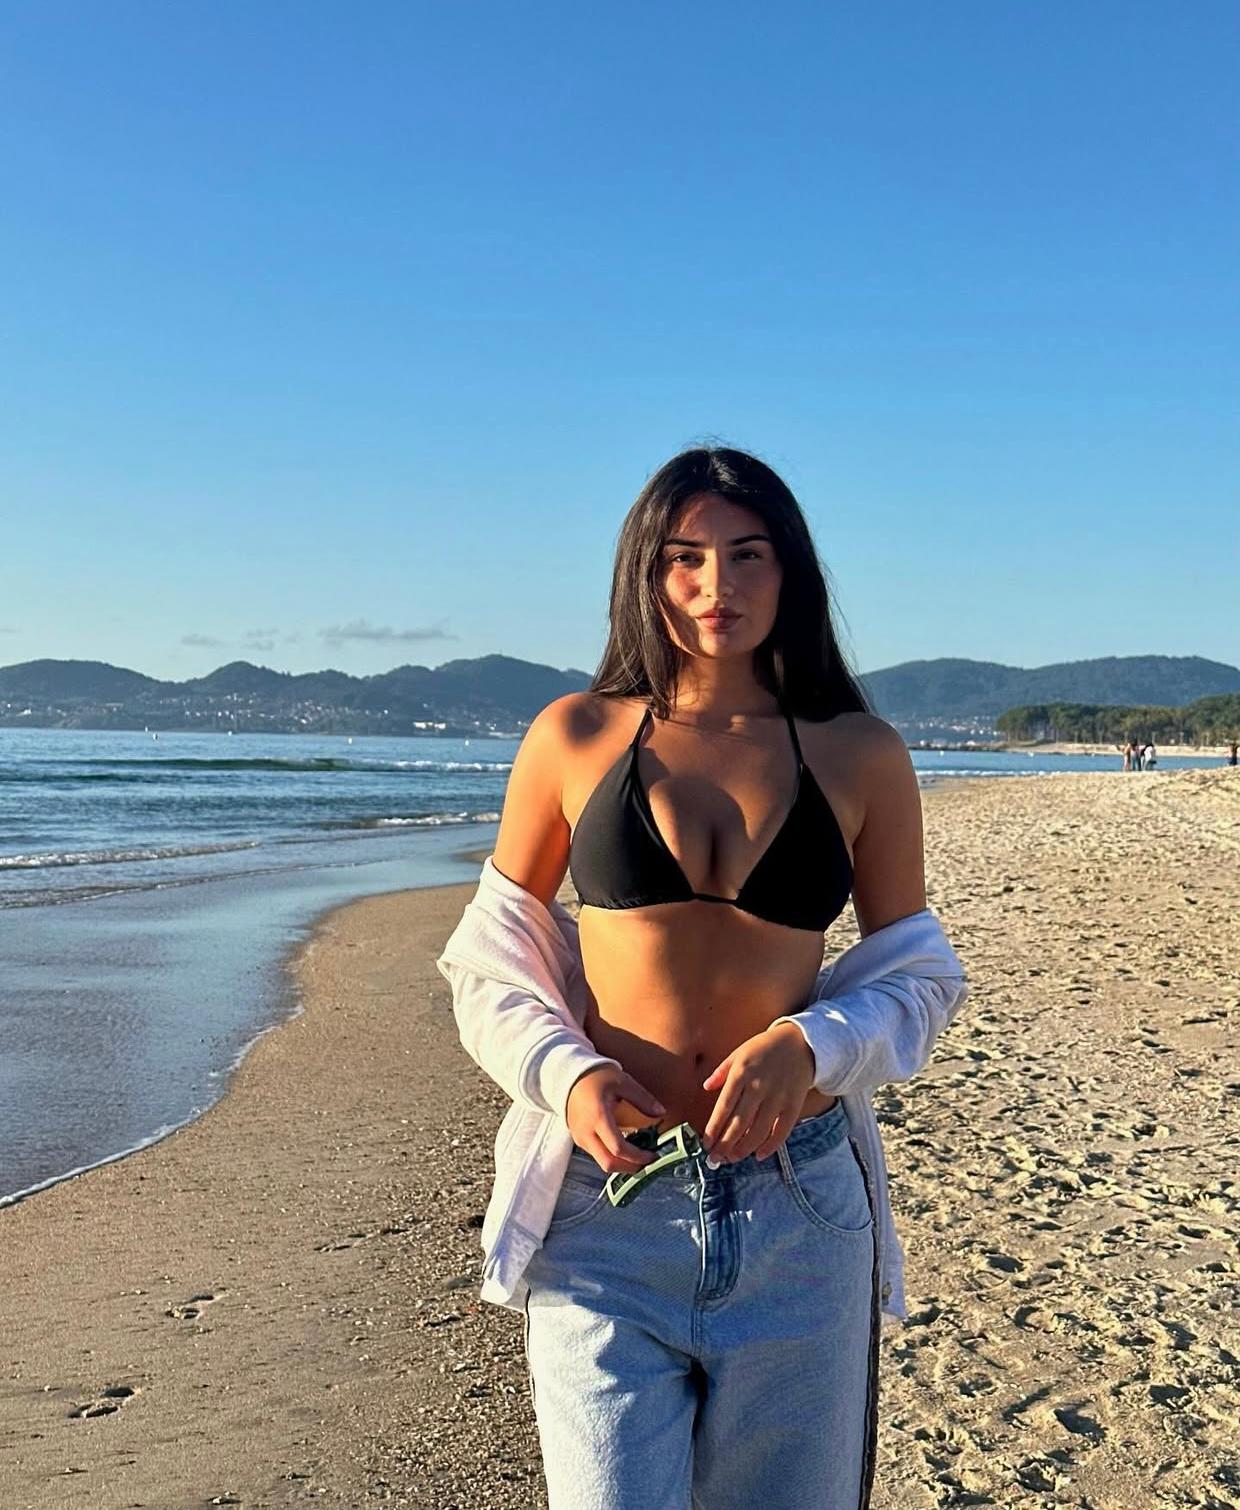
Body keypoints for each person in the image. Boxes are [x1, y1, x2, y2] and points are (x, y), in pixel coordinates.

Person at [437, 446, 969, 1510]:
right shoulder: (575, 735)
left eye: (747, 555)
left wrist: (809, 1046)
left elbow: (917, 975)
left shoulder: (858, 752)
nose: (715, 585)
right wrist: (565, 1076)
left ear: (790, 571)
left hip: (796, 1209)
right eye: (684, 557)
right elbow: (489, 961)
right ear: (646, 571)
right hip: (607, 1209)